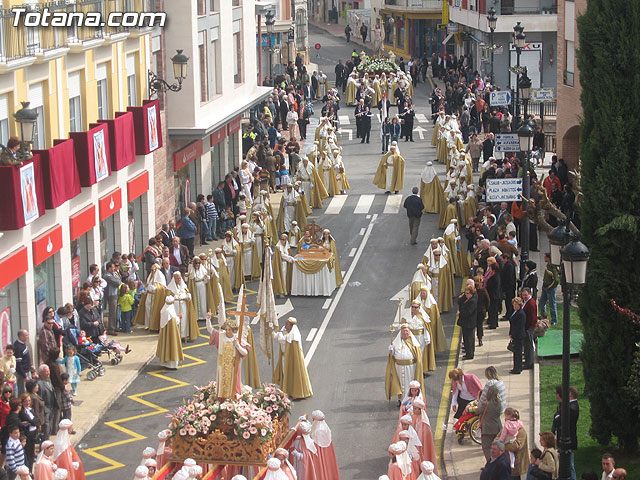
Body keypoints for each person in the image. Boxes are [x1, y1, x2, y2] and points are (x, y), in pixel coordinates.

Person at [273, 318, 313, 399]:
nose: (285, 325)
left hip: (292, 359)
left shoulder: (294, 334)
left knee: (291, 373)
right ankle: (287, 390)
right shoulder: (286, 332)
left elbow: (282, 339)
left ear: (292, 326)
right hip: (285, 357)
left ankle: (295, 392)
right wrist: (271, 329)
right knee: (285, 373)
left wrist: (279, 333)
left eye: (287, 324)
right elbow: (276, 337)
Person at [385, 324, 424, 406]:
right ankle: (401, 400)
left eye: (406, 331)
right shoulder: (396, 343)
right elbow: (392, 355)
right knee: (400, 383)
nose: (405, 333)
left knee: (409, 383)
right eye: (403, 331)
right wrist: (391, 350)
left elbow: (418, 358)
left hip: (410, 367)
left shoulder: (414, 344)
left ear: (409, 332)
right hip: (398, 366)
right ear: (401, 333)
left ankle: (411, 400)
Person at [552, 385, 579, 480]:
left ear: (570, 394)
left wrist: (557, 417)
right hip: (565, 438)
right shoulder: (569, 406)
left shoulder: (571, 408)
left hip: (569, 440)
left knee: (569, 465)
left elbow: (558, 421)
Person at [156, 296, 184, 370]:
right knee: (172, 345)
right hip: (172, 333)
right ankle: (172, 364)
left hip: (164, 333)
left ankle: (164, 362)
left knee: (165, 345)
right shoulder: (170, 312)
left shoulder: (163, 310)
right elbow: (175, 322)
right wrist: (179, 317)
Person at [478, 385, 503, 462]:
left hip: (487, 429)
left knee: (486, 447)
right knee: (497, 447)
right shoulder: (499, 404)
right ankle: (496, 461)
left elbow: (478, 411)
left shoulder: (486, 404)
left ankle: (490, 462)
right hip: (497, 428)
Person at [503, 408, 529, 480]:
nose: (505, 420)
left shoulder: (521, 432)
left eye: (507, 419)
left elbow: (515, 446)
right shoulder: (506, 429)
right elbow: (497, 438)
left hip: (517, 467)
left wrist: (503, 444)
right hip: (505, 465)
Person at [37, 364, 59, 440]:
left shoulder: (49, 380)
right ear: (41, 373)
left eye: (48, 371)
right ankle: (45, 443)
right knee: (46, 427)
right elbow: (40, 398)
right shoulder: (39, 384)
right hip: (45, 409)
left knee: (49, 426)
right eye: (46, 372)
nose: (48, 373)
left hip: (51, 407)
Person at [457, 285, 478, 360]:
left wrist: (460, 313)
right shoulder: (467, 299)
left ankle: (470, 354)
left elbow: (469, 312)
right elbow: (459, 301)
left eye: (467, 293)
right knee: (466, 338)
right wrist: (463, 296)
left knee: (469, 338)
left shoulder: (473, 301)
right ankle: (468, 352)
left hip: (469, 322)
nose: (466, 295)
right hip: (465, 322)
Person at [13, 331, 35, 397]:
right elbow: (18, 363)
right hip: (22, 373)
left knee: (29, 390)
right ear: (21, 336)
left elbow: (27, 358)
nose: (28, 337)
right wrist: (24, 376)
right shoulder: (18, 346)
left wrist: (31, 367)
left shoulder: (25, 344)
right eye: (26, 335)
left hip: (28, 370)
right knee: (23, 392)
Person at [539, 254, 559, 325]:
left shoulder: (553, 268)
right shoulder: (548, 266)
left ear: (548, 258)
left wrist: (550, 287)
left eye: (545, 257)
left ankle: (554, 320)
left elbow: (556, 280)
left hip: (550, 289)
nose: (544, 258)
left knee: (552, 304)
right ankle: (543, 317)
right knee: (541, 303)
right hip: (545, 287)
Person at [521, 288, 538, 370]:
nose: (524, 296)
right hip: (527, 327)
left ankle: (529, 363)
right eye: (523, 295)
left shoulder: (531, 304)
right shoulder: (527, 302)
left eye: (526, 295)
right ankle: (527, 360)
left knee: (529, 345)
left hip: (529, 328)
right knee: (526, 345)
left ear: (530, 294)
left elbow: (532, 317)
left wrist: (530, 328)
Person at [509, 297, 526, 374]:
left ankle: (518, 368)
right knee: (515, 353)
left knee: (518, 354)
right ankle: (516, 367)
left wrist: (513, 334)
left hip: (519, 336)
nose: (515, 306)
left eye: (516, 305)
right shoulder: (515, 312)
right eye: (514, 305)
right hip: (515, 335)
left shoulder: (521, 314)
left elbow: (519, 326)